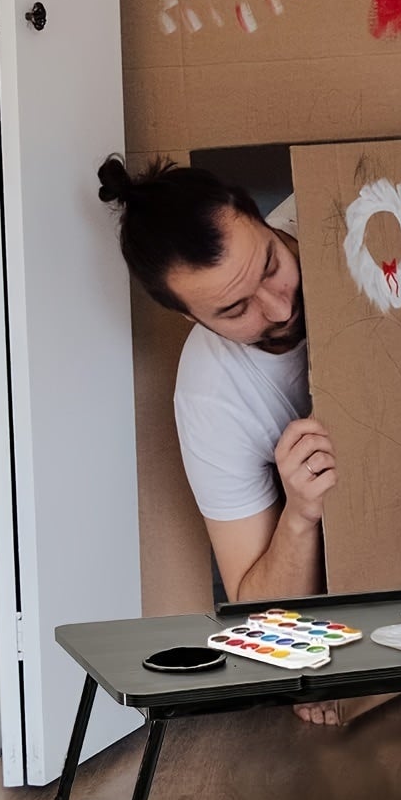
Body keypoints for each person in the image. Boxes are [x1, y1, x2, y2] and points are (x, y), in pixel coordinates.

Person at [97, 155, 346, 724]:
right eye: (235, 309)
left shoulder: (341, 216)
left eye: (271, 265)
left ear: (261, 218)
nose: (280, 307)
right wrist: (301, 513)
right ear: (192, 320)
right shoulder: (212, 397)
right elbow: (259, 614)